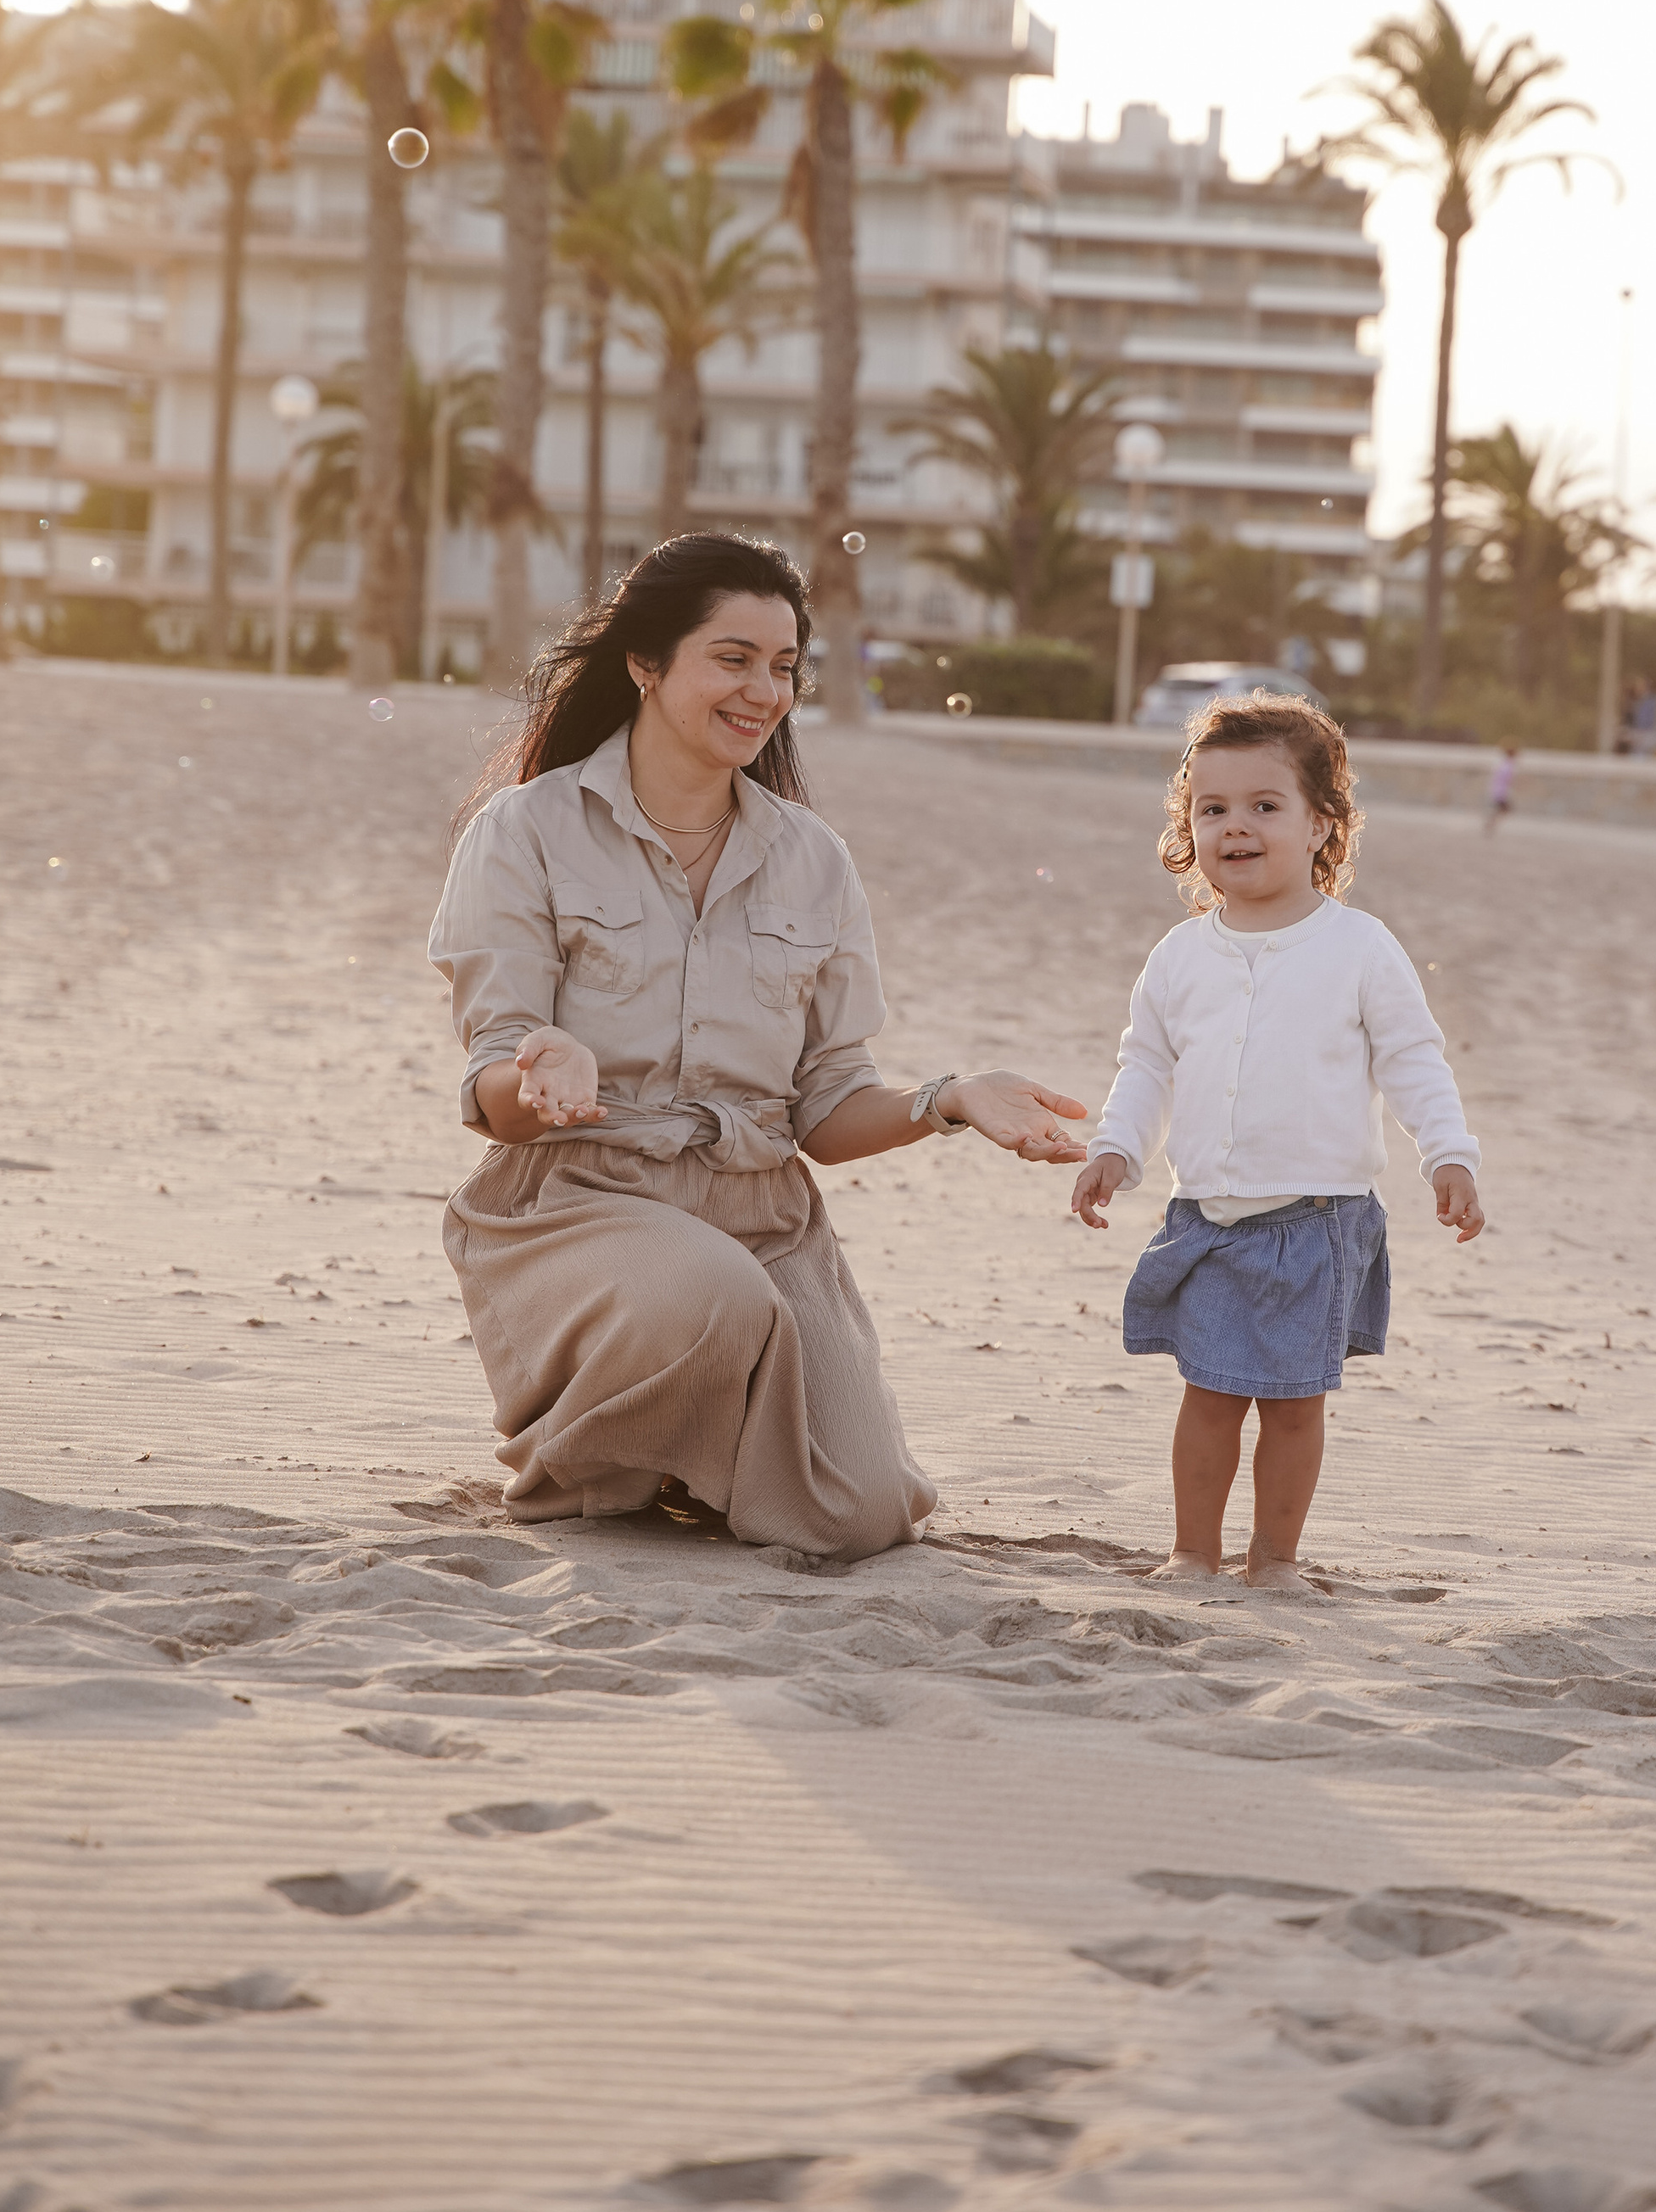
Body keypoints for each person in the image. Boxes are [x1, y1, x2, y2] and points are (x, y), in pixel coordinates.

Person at [428, 531, 1088, 1555]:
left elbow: (825, 1111)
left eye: (784, 667)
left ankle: (692, 1451)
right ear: (646, 664)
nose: (764, 692)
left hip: (761, 1218)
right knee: (709, 1296)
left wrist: (946, 1101)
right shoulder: (524, 831)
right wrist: (541, 1064)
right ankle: (587, 1461)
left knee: (861, 1515)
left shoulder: (813, 860)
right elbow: (496, 1087)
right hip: (576, 1204)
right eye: (732, 659)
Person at [1069, 694, 1485, 1591]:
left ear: (1321, 827)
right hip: (1207, 1217)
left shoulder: (1360, 948)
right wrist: (1116, 1150)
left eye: (1265, 806)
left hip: (1317, 1218)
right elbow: (1144, 1065)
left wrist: (1448, 1154)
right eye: (1211, 809)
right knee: (1210, 1395)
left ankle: (1275, 1558)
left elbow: (1414, 1058)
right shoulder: (1179, 956)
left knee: (1294, 1407)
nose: (1236, 827)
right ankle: (1191, 1549)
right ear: (1188, 827)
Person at [1484, 741, 1519, 835]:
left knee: (1500, 810)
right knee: (1504, 810)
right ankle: (1490, 824)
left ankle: (1490, 824)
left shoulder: (1503, 763)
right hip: (1501, 792)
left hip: (1497, 790)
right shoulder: (1509, 765)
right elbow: (1508, 779)